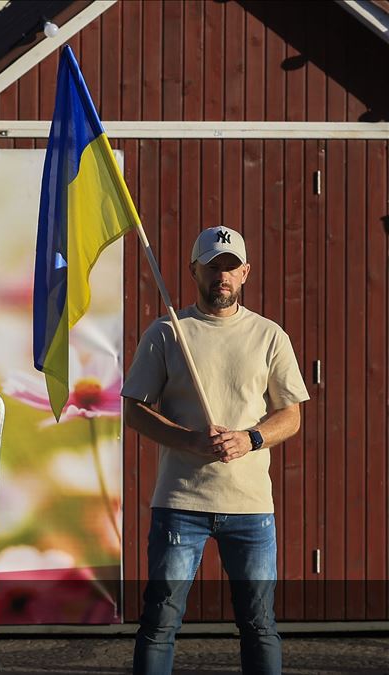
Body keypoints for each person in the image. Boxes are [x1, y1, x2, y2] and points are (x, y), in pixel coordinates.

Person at [123, 226, 308, 675]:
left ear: (244, 272)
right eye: (212, 266)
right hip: (180, 504)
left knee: (259, 623)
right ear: (194, 271)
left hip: (250, 507)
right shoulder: (168, 331)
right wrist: (188, 439)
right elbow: (134, 410)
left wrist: (250, 439)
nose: (220, 276)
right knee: (160, 622)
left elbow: (292, 415)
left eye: (229, 267)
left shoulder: (269, 336)